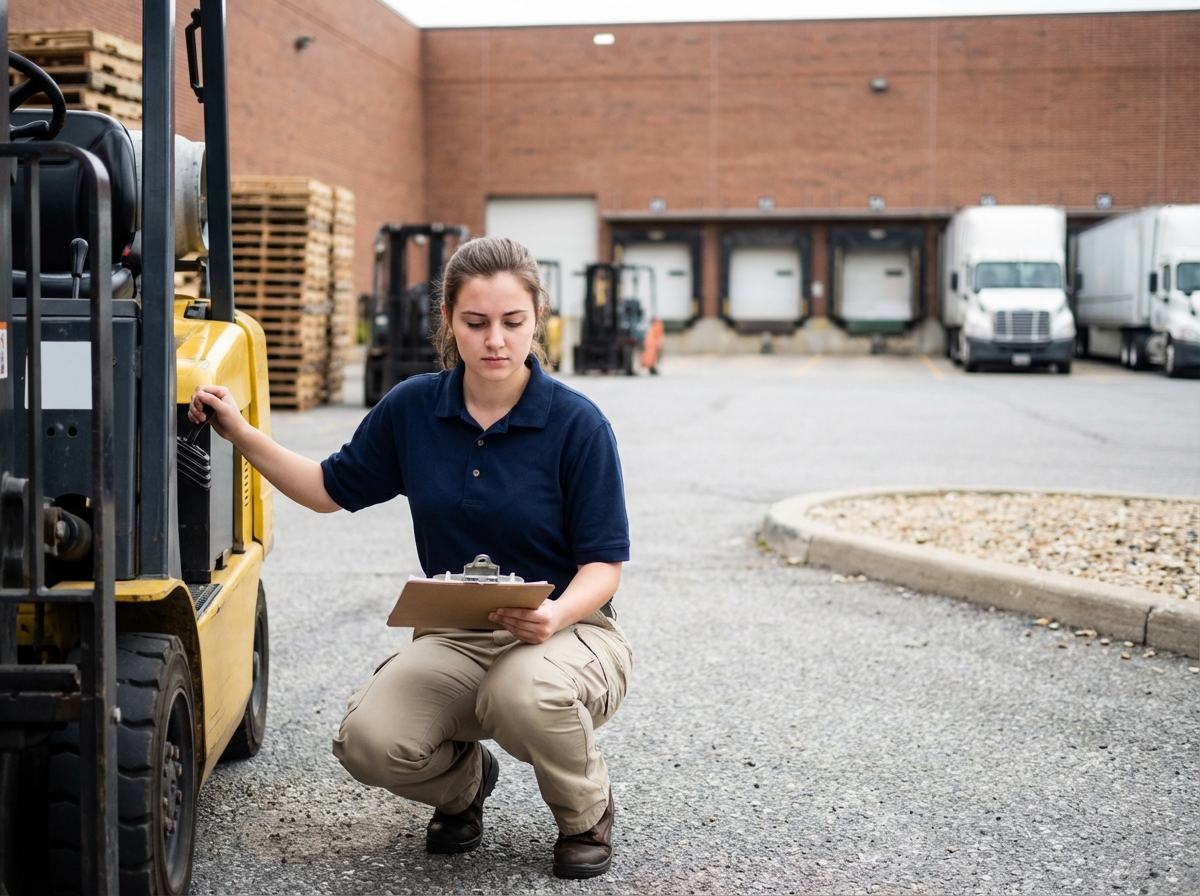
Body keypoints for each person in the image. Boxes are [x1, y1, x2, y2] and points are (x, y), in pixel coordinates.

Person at [189, 236, 633, 879]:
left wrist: (557, 615)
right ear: (449, 320)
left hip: (571, 634)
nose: (496, 341)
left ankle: (585, 814)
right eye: (476, 323)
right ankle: (465, 786)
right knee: (369, 742)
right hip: (456, 635)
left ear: (538, 316)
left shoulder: (577, 424)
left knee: (522, 692)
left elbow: (604, 566)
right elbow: (324, 490)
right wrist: (239, 431)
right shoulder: (414, 409)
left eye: (513, 322)